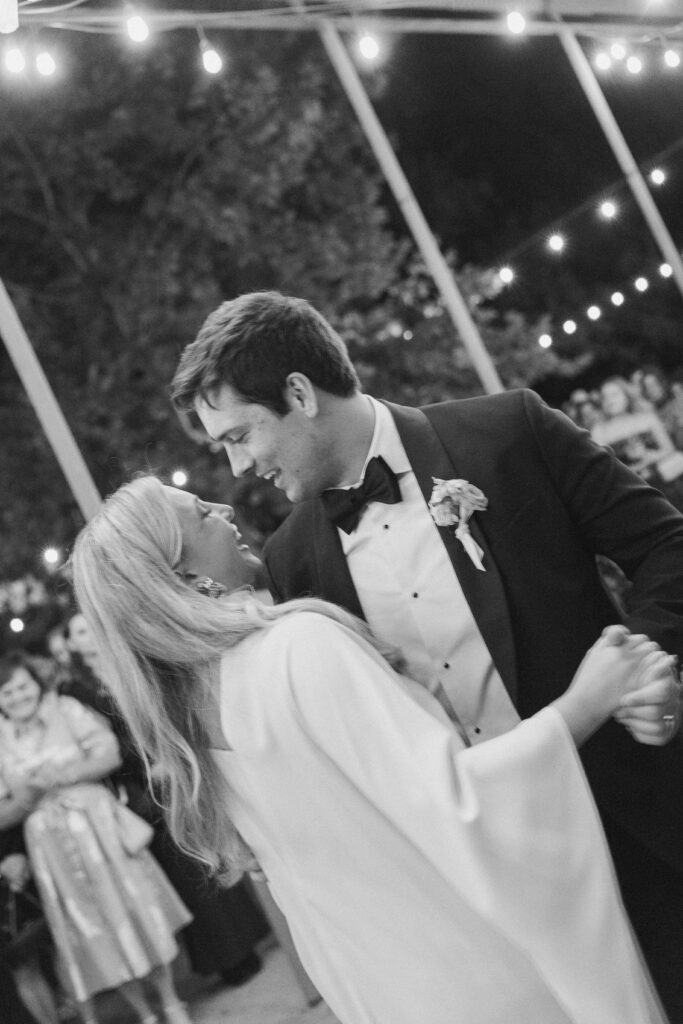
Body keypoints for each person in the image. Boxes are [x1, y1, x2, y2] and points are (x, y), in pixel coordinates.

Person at [170, 290, 683, 1018]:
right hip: (489, 884)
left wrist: (642, 660)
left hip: (633, 812)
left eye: (238, 435)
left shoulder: (508, 432)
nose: (238, 464)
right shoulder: (292, 563)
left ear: (297, 393)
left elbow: (665, 545)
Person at [70, 476, 676, 1024]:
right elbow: (457, 801)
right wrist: (586, 701)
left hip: (381, 988)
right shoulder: (296, 648)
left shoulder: (191, 727)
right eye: (200, 513)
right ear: (182, 577)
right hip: (474, 969)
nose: (223, 505)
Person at [62, 611, 269, 988]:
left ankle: (252, 937)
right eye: (79, 632)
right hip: (140, 789)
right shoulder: (78, 690)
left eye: (91, 627)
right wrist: (146, 765)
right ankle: (228, 958)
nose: (88, 636)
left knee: (215, 844)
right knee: (187, 870)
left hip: (173, 767)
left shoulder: (125, 662)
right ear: (72, 644)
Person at [0, 652, 193, 1024]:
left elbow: (110, 756)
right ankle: (143, 1013)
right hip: (52, 852)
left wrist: (64, 776)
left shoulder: (67, 709)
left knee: (137, 911)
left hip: (99, 832)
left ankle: (171, 1001)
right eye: (7, 693)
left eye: (23, 687)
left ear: (36, 685)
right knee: (94, 931)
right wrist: (25, 799)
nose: (18, 697)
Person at [591, 375, 683, 512]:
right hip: (632, 496)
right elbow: (602, 469)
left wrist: (650, 456)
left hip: (665, 485)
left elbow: (669, 449)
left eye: (615, 394)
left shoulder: (647, 418)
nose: (610, 400)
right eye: (605, 396)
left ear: (626, 395)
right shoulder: (599, 431)